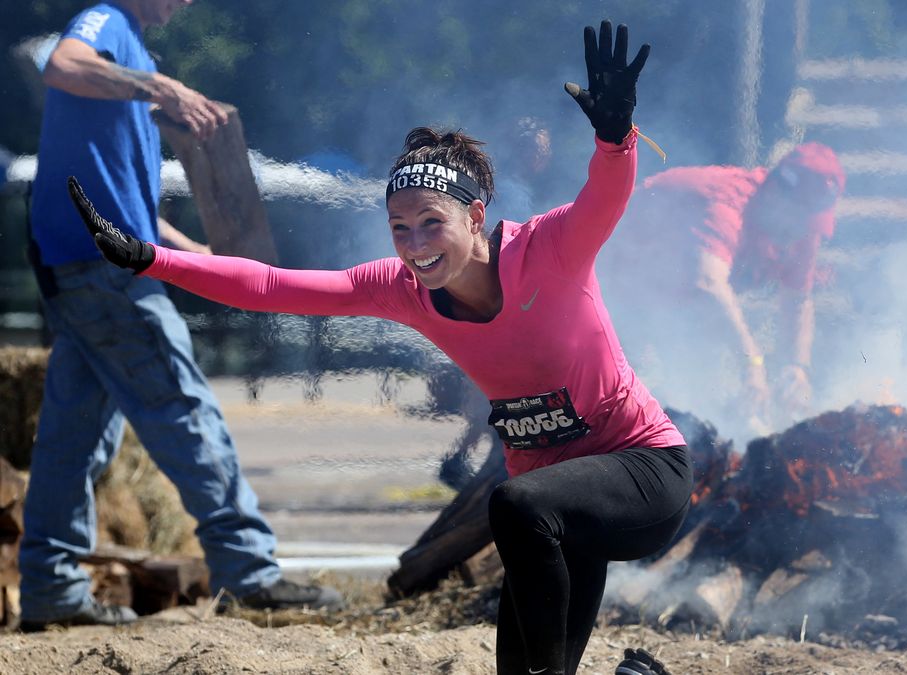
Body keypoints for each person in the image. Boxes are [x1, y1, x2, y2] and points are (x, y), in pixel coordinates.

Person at [68, 20, 689, 675]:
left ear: (475, 216)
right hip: (558, 507)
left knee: (515, 502)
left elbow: (605, 196)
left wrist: (615, 137)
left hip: (642, 473)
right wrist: (149, 259)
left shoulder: (548, 250)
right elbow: (272, 286)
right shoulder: (402, 289)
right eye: (399, 228)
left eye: (431, 223)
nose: (415, 246)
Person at [20, 0, 341, 631]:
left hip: (80, 268)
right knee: (185, 410)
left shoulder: (129, 51)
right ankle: (248, 572)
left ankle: (49, 584)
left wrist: (199, 255)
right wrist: (163, 87)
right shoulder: (107, 22)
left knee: (73, 437)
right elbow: (62, 63)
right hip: (106, 273)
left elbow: (129, 209)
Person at [596, 141, 845, 441]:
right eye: (801, 219)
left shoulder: (802, 227)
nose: (803, 231)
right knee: (621, 406)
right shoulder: (727, 202)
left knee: (701, 405)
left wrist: (797, 365)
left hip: (679, 304)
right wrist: (752, 361)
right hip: (615, 291)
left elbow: (798, 299)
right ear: (779, 196)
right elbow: (709, 282)